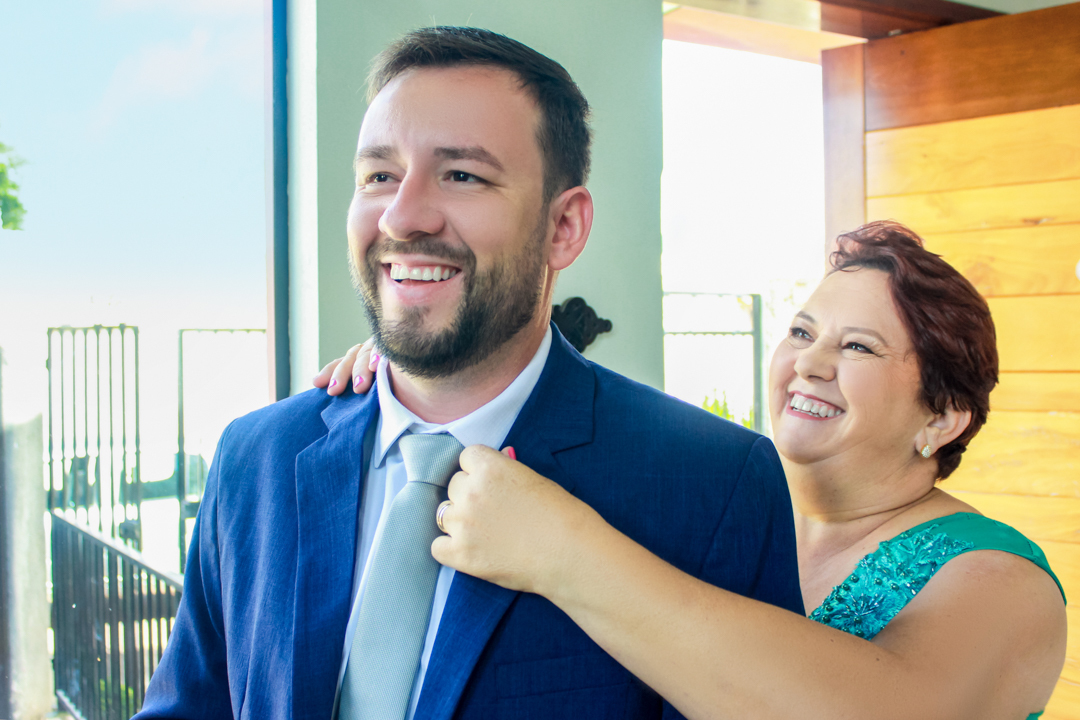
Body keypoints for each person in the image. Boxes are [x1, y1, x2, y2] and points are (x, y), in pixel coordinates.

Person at [135, 27, 803, 720]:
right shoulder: (256, 457)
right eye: (380, 176)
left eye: (462, 175)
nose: (403, 215)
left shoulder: (713, 486)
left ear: (563, 227)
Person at [327, 221, 1068, 720]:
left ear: (941, 417)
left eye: (859, 348)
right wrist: (418, 385)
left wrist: (563, 554)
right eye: (802, 332)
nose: (808, 363)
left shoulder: (1003, 584)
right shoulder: (719, 502)